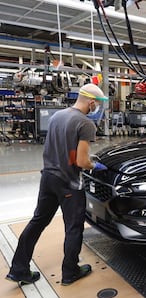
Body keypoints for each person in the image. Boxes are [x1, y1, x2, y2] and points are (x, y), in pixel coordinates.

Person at [6, 83, 109, 286]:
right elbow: (81, 162)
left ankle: (18, 269)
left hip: (48, 179)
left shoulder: (56, 116)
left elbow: (61, 148)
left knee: (37, 222)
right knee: (73, 227)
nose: (97, 107)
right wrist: (94, 165)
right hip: (69, 183)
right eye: (97, 103)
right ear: (91, 102)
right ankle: (70, 272)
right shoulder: (86, 123)